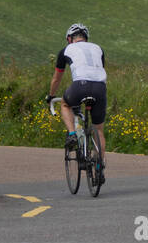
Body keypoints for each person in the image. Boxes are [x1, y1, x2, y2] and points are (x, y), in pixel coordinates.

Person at [46, 22, 107, 182]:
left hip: (80, 86)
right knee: (99, 130)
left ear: (69, 38)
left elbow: (56, 78)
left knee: (65, 104)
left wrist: (51, 96)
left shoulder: (65, 50)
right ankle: (99, 166)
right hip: (100, 88)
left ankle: (72, 134)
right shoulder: (98, 48)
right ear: (86, 38)